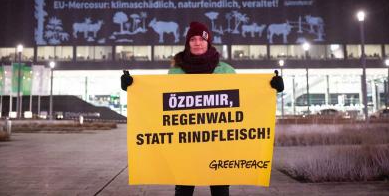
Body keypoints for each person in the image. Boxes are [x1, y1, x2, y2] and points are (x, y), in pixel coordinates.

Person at [121, 21, 284, 196]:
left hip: (219, 144)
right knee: (183, 190)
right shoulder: (176, 72)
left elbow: (246, 99)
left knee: (220, 190)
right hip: (185, 145)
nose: (197, 43)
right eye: (193, 39)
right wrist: (132, 88)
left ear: (208, 42)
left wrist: (273, 88)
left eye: (201, 39)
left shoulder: (226, 71)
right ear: (187, 43)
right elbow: (159, 101)